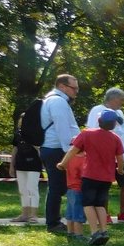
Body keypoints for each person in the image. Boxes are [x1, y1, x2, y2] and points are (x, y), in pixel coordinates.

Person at [57, 109, 124, 245]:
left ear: (99, 121)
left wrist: (63, 163)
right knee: (100, 204)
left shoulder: (87, 134)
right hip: (106, 177)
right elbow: (120, 158)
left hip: (90, 175)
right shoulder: (116, 138)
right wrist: (120, 169)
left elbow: (73, 150)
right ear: (114, 124)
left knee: (88, 203)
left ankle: (95, 232)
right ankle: (104, 230)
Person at [40, 74, 82, 233]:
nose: (76, 91)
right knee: (57, 188)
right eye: (74, 88)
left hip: (53, 148)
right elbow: (63, 129)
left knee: (57, 187)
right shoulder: (58, 102)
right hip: (57, 149)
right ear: (62, 86)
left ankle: (56, 221)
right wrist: (72, 152)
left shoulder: (53, 100)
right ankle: (53, 223)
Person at [87, 87, 124, 223]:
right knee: (104, 186)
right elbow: (93, 132)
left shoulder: (120, 112)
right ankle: (105, 214)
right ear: (113, 99)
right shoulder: (97, 110)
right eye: (121, 100)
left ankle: (122, 213)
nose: (122, 103)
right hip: (107, 156)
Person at [8, 134, 43, 224]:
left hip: (34, 165)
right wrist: (12, 165)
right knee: (23, 190)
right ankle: (25, 215)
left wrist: (43, 161)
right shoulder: (18, 134)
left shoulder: (36, 133)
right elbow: (15, 149)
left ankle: (34, 215)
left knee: (32, 189)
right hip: (20, 165)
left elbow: (40, 149)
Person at [63, 150, 86, 241]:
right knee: (78, 213)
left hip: (70, 188)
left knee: (70, 213)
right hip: (79, 189)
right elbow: (83, 175)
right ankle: (79, 235)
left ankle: (70, 232)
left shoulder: (69, 158)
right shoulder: (83, 159)